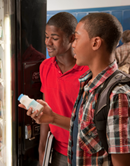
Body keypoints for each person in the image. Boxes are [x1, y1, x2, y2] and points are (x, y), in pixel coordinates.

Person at [24, 13, 130, 166]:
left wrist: (53, 118)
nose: (74, 45)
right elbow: (86, 128)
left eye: (76, 38)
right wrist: (50, 123)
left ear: (95, 43)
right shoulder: (90, 82)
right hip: (67, 150)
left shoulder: (118, 94)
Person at [38, 12, 89, 166]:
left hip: (84, 151)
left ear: (72, 38)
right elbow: (46, 112)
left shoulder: (87, 72)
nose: (48, 42)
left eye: (54, 38)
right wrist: (41, 149)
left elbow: (90, 124)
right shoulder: (45, 67)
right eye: (46, 36)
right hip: (56, 150)